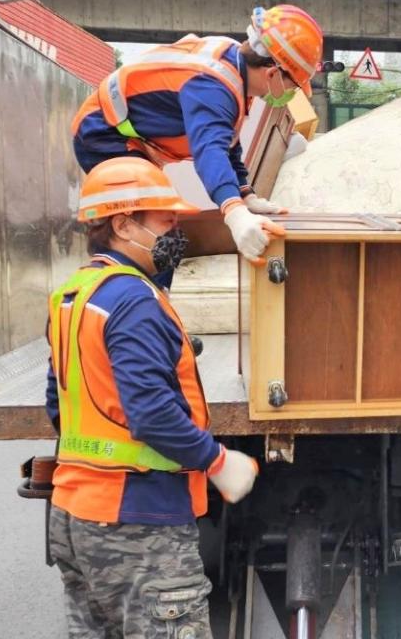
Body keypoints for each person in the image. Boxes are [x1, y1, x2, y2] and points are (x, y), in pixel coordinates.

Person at [45, 156, 258, 637]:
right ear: (123, 223)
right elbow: (152, 414)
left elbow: (58, 405)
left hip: (74, 516)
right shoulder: (135, 301)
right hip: (139, 525)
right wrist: (218, 461)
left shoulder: (75, 295)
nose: (176, 233)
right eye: (166, 221)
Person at [71, 4, 324, 271]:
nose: (291, 92)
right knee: (150, 233)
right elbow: (210, 151)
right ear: (272, 72)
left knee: (158, 229)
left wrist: (244, 193)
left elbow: (229, 143)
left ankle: (145, 293)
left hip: (125, 135)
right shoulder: (214, 88)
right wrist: (234, 212)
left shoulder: (233, 63)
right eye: (293, 85)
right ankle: (129, 296)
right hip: (103, 133)